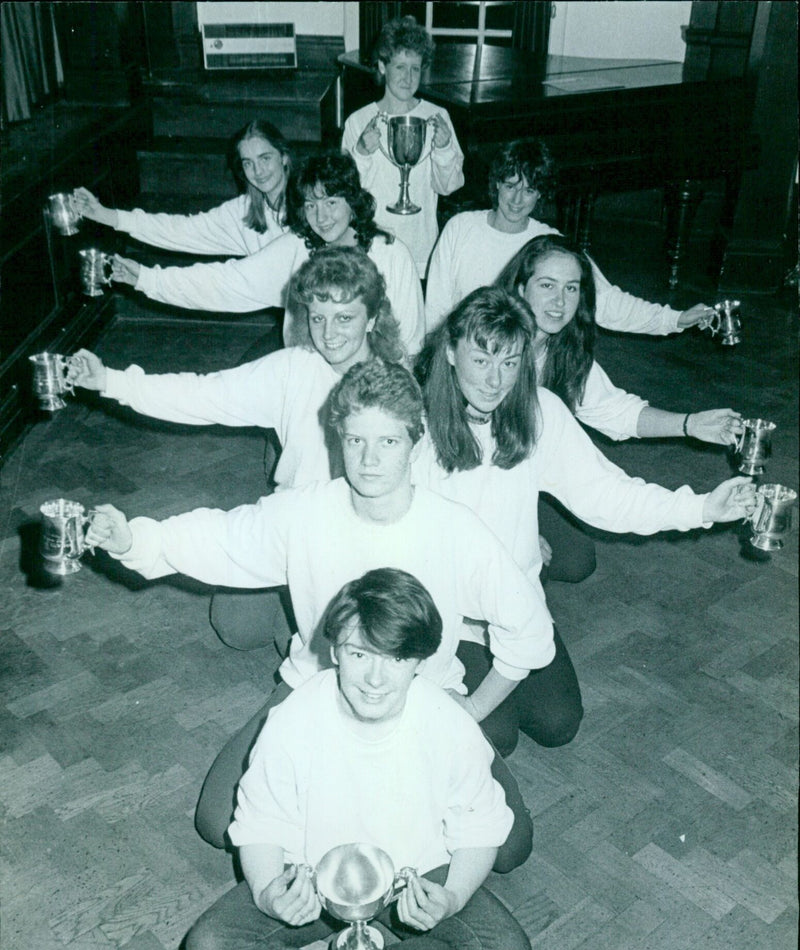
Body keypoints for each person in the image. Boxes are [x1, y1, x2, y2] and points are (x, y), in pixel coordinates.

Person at [85, 359, 554, 866]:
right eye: (356, 441)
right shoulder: (305, 512)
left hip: (419, 698)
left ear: (415, 444)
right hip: (318, 688)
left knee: (509, 846)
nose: (370, 460)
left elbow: (529, 628)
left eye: (388, 442)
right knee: (218, 820)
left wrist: (474, 709)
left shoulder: (453, 529)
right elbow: (218, 537)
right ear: (338, 441)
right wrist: (133, 537)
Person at [184, 568, 531, 950]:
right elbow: (260, 823)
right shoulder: (291, 721)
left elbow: (480, 826)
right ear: (335, 652)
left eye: (394, 658)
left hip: (412, 877)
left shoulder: (450, 725)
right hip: (311, 878)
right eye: (358, 652)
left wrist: (450, 899)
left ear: (419, 662)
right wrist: (270, 895)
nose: (373, 678)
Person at [413, 286, 758, 750]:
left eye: (510, 363)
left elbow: (610, 497)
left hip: (515, 608)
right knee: (493, 734)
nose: (496, 381)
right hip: (447, 617)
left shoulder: (539, 414)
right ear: (451, 353)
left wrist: (701, 508)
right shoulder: (415, 425)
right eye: (482, 360)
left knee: (558, 723)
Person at [70, 247, 405, 653]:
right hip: (290, 524)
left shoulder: (397, 390)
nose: (329, 333)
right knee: (236, 626)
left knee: (320, 648)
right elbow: (204, 394)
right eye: (318, 318)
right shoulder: (295, 368)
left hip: (358, 544)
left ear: (372, 319)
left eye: (344, 318)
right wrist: (110, 381)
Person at [495, 235, 745, 581]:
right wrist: (508, 534)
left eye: (571, 288)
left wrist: (689, 424)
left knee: (574, 560)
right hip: (462, 492)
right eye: (547, 285)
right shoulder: (487, 352)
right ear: (520, 288)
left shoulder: (561, 352)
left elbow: (616, 412)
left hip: (515, 478)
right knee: (525, 562)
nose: (559, 301)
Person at [107, 151, 425, 358]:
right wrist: (146, 278)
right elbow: (230, 281)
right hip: (311, 378)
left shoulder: (391, 254)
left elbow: (410, 344)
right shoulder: (299, 246)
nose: (321, 216)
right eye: (311, 206)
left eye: (331, 202)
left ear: (353, 202)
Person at [424, 137, 715, 334]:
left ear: (541, 194)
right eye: (511, 185)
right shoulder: (461, 228)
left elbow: (606, 301)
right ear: (496, 183)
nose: (516, 199)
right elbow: (436, 312)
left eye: (529, 190)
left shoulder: (550, 245)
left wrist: (673, 319)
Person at [342, 15, 464, 278]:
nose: (408, 78)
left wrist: (443, 149)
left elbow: (449, 186)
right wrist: (361, 152)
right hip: (371, 251)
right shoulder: (358, 121)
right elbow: (346, 195)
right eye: (400, 67)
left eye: (416, 69)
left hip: (420, 250)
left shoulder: (437, 116)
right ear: (382, 66)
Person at [72, 120, 291, 257]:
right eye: (248, 163)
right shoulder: (243, 211)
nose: (258, 171)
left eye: (265, 158)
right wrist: (104, 214)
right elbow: (180, 229)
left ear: (284, 157)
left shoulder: (311, 201)